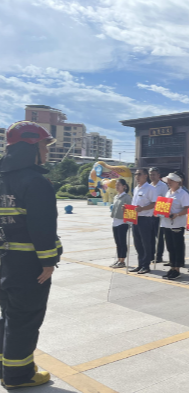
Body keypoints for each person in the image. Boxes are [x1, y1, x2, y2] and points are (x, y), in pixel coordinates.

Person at [0, 121, 62, 389]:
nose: (46, 151)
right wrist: (49, 262)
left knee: (8, 316)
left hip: (4, 262)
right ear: (30, 146)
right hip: (29, 265)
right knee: (25, 319)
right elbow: (43, 227)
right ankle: (18, 375)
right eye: (43, 145)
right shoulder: (36, 182)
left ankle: (8, 366)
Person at [160, 173, 189, 280]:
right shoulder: (168, 193)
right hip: (166, 224)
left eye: (171, 181)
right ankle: (172, 267)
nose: (168, 183)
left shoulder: (183, 194)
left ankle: (177, 269)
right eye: (168, 181)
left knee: (177, 246)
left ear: (177, 182)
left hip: (177, 224)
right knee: (170, 247)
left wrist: (177, 214)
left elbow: (187, 208)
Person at [130, 168, 157, 274]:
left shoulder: (150, 188)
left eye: (139, 174)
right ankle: (140, 264)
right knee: (137, 243)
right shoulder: (136, 188)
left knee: (146, 243)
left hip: (145, 219)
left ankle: (146, 265)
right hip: (135, 219)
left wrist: (142, 209)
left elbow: (154, 203)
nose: (137, 176)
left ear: (145, 175)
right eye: (136, 174)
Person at [110, 179, 132, 269]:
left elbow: (130, 211)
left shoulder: (127, 197)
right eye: (116, 185)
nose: (117, 186)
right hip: (115, 222)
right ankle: (119, 259)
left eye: (119, 185)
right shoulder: (116, 197)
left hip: (123, 222)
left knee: (122, 242)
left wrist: (129, 222)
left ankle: (122, 260)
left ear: (124, 186)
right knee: (117, 242)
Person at [149, 167, 169, 265]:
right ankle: (151, 254)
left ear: (158, 175)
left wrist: (160, 213)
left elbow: (165, 200)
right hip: (149, 215)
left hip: (159, 215)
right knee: (150, 236)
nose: (152, 176)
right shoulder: (149, 186)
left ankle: (159, 255)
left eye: (154, 174)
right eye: (150, 174)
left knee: (159, 237)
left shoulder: (163, 186)